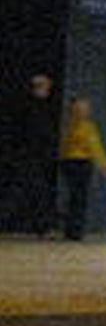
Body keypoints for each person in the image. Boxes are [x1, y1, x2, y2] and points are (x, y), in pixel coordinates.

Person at [3, 73, 59, 235]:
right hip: (28, 157)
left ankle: (39, 226)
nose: (48, 91)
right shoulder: (29, 107)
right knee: (22, 192)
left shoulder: (41, 108)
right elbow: (31, 133)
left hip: (35, 157)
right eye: (45, 87)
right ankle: (35, 225)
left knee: (31, 192)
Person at [55, 96, 106, 241]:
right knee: (78, 198)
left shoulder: (69, 125)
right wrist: (104, 164)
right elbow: (94, 146)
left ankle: (72, 230)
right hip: (78, 163)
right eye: (81, 108)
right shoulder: (82, 127)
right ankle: (74, 231)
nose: (85, 111)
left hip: (71, 162)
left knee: (75, 198)